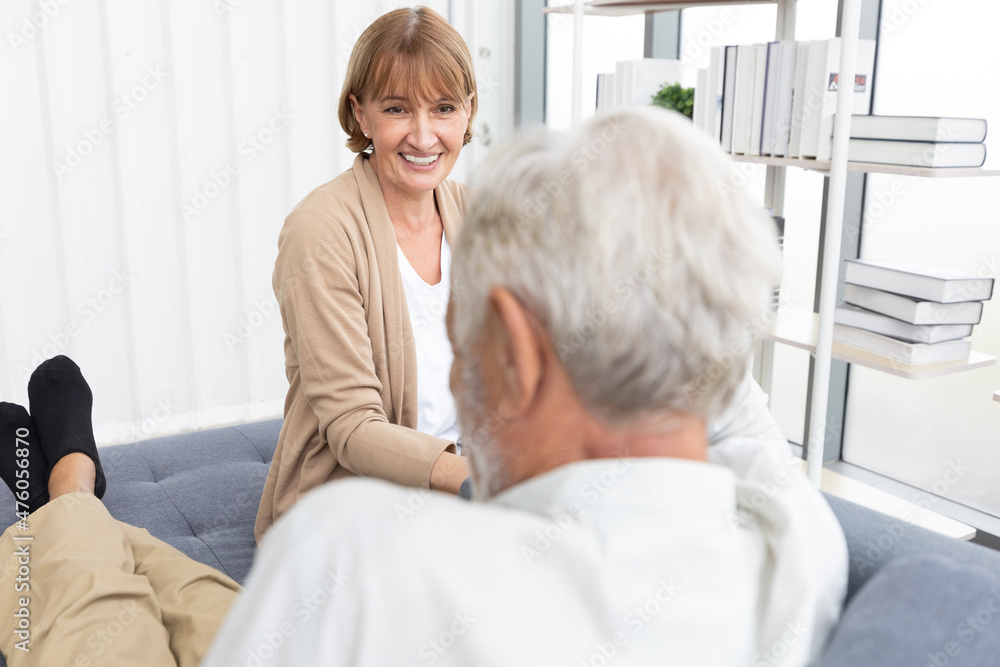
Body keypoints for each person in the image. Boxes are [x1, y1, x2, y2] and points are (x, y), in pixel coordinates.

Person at [1, 107, 848, 666]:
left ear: (515, 349)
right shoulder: (797, 548)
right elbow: (733, 413)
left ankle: (65, 487)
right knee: (185, 592)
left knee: (55, 588)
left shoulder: (360, 555)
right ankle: (88, 510)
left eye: (461, 331)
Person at [256, 6, 478, 541]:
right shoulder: (320, 231)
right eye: (398, 109)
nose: (424, 137)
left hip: (460, 486)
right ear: (360, 114)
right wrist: (483, 483)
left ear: (468, 112)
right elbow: (352, 430)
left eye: (444, 108)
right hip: (350, 502)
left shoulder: (476, 214)